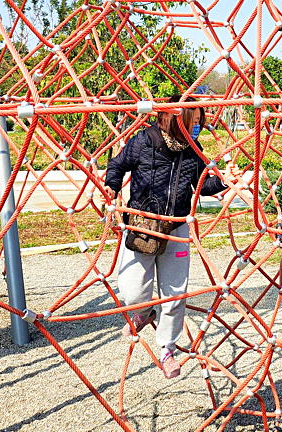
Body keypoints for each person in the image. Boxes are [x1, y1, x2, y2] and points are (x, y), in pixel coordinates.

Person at [105, 95, 238, 378]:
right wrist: (112, 187)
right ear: (177, 119)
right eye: (195, 123)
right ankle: (144, 311)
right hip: (143, 225)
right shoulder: (144, 141)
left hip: (176, 227)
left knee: (175, 294)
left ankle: (167, 348)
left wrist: (225, 179)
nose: (198, 128)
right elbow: (117, 165)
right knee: (132, 291)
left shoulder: (193, 150)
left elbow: (202, 185)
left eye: (200, 123)